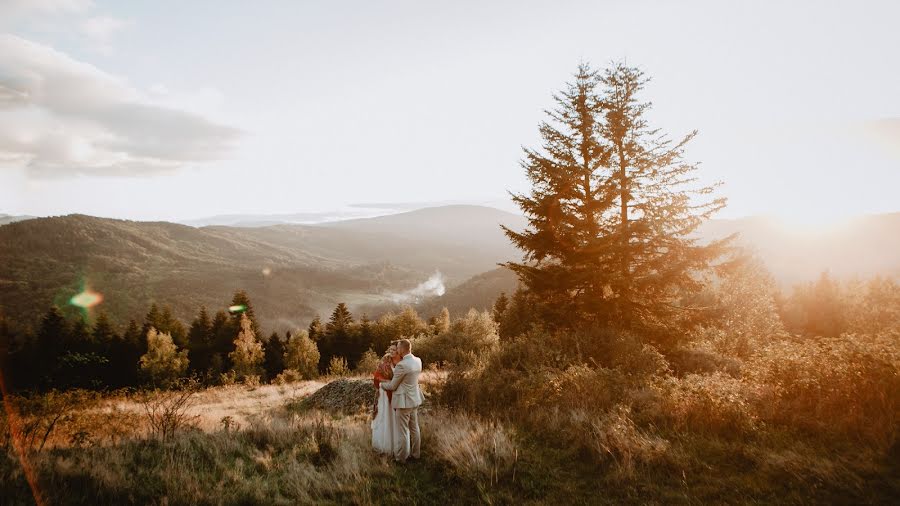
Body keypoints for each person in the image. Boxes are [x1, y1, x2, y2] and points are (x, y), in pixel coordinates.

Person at [379, 338, 423, 463]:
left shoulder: (402, 365)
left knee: (402, 431)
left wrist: (382, 385)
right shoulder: (418, 361)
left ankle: (401, 459)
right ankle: (416, 455)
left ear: (402, 349)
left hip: (404, 402)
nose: (397, 349)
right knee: (414, 428)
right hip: (415, 399)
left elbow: (393, 386)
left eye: (398, 347)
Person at [371, 345, 400, 454]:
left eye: (394, 350)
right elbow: (376, 378)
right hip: (384, 393)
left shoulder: (400, 362)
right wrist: (387, 382)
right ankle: (384, 445)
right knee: (385, 416)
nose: (392, 352)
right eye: (391, 350)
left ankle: (396, 446)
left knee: (394, 418)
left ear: (398, 351)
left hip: (396, 393)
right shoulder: (384, 362)